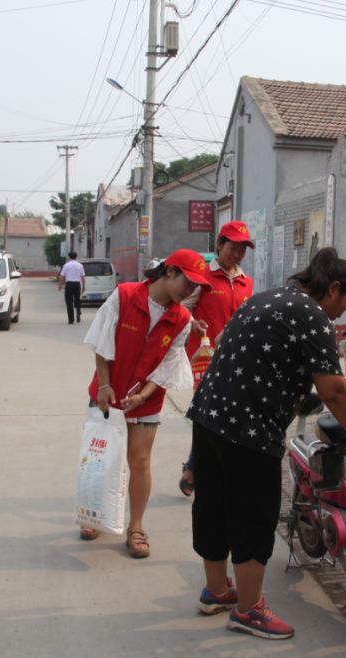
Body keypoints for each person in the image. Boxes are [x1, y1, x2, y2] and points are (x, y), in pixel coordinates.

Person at [187, 247, 346, 640]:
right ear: (332, 289)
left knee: (213, 505)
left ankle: (216, 591)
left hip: (209, 414)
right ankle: (248, 610)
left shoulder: (268, 297)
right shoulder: (312, 316)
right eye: (345, 305)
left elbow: (244, 349)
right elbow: (335, 392)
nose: (339, 314)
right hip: (248, 429)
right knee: (252, 516)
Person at [80, 249, 211, 558]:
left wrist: (144, 395)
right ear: (169, 272)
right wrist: (106, 385)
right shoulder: (125, 296)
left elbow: (168, 363)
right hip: (108, 392)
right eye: (187, 283)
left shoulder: (181, 319)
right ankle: (93, 514)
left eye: (196, 287)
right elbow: (102, 342)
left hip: (147, 399)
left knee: (140, 461)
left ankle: (136, 526)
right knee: (103, 456)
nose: (190, 291)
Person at [177, 220, 256, 496]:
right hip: (205, 362)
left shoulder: (247, 283)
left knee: (220, 417)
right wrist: (193, 323)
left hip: (236, 362)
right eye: (232, 248)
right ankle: (195, 469)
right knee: (207, 417)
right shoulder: (203, 279)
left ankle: (195, 469)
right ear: (220, 244)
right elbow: (180, 310)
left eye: (242, 251)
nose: (236, 255)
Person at [59, 251, 85, 324]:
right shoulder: (80, 265)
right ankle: (78, 310)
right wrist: (83, 286)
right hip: (77, 284)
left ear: (69, 257)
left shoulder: (66, 265)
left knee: (69, 302)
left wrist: (60, 285)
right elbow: (83, 277)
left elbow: (62, 276)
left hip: (69, 284)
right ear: (76, 257)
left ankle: (71, 320)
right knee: (77, 299)